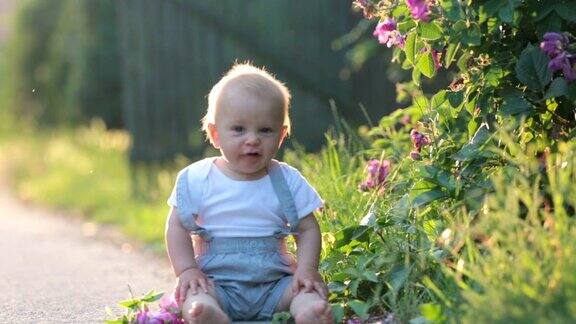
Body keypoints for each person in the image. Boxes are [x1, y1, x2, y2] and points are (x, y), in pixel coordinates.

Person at [165, 63, 333, 323]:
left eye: (265, 130)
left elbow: (308, 228)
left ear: (281, 135)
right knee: (196, 298)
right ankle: (208, 315)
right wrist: (186, 269)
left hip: (276, 285)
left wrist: (307, 269)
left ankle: (308, 312)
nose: (252, 139)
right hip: (216, 283)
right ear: (215, 134)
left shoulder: (287, 181)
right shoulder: (198, 179)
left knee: (304, 292)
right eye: (239, 129)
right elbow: (176, 227)